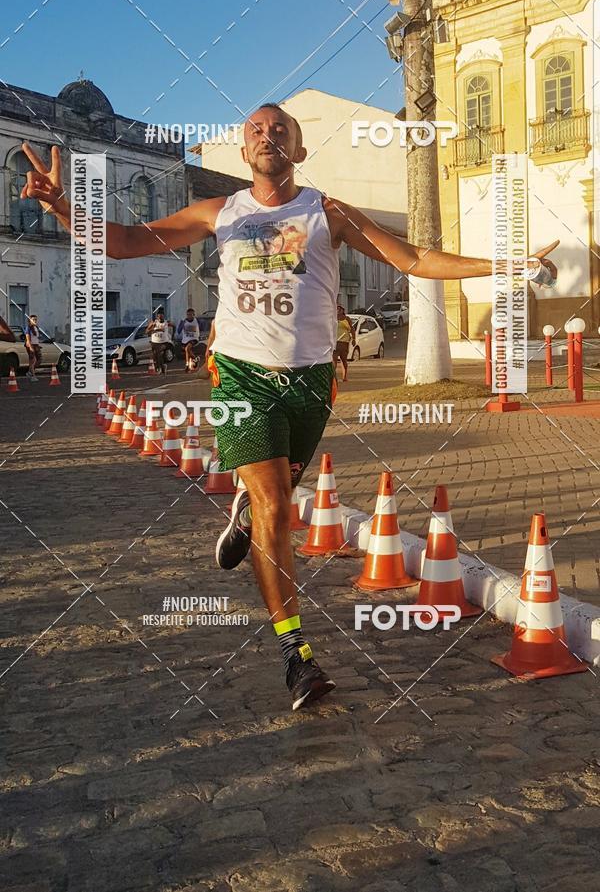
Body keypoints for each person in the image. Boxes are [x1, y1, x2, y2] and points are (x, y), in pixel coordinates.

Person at [20, 109, 558, 711]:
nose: (266, 134)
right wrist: (61, 204)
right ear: (244, 151)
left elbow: (412, 259)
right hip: (243, 379)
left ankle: (248, 512)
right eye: (254, 129)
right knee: (279, 504)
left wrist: (504, 265)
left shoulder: (329, 213)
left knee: (280, 495)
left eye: (280, 129)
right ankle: (295, 652)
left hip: (310, 383)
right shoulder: (218, 212)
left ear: (299, 150)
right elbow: (121, 244)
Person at [146, 307, 173, 376]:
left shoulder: (167, 322)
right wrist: (153, 329)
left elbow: (174, 326)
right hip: (155, 342)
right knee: (155, 356)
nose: (160, 317)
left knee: (160, 353)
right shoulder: (153, 323)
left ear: (164, 316)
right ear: (157, 316)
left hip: (164, 342)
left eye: (161, 315)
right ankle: (161, 367)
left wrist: (173, 335)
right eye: (159, 316)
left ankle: (161, 368)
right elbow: (147, 331)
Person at [334, 304, 355, 382]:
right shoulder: (332, 318)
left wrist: (353, 338)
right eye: (337, 309)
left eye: (340, 309)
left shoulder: (347, 319)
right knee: (334, 360)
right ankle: (333, 377)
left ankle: (344, 377)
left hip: (344, 342)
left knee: (343, 360)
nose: (338, 310)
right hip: (335, 342)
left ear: (343, 310)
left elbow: (352, 329)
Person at [25, 314, 42, 382]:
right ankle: (33, 376)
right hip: (31, 345)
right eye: (33, 319)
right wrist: (30, 346)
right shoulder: (28, 327)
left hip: (36, 344)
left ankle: (29, 371)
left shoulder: (36, 327)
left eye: (36, 319)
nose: (35, 320)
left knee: (39, 360)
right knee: (33, 360)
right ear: (30, 320)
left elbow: (37, 337)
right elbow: (28, 337)